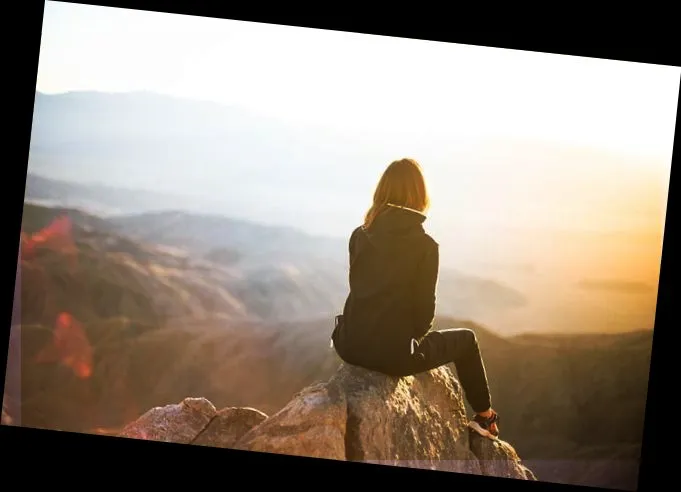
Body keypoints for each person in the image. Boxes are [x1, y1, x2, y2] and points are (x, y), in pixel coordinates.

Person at [331, 157, 500, 439]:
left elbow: (359, 288)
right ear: (420, 196)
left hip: (349, 345)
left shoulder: (359, 235)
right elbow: (423, 318)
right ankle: (486, 418)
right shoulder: (426, 247)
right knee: (467, 340)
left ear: (381, 192)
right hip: (394, 356)